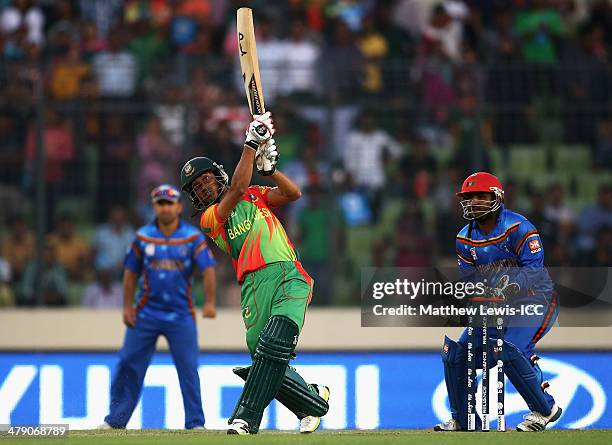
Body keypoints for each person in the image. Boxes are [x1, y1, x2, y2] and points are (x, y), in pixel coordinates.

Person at [180, 112, 330, 435]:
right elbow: (236, 188)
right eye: (197, 187)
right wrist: (251, 143)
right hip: (252, 285)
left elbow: (293, 194)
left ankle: (245, 419)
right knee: (265, 355)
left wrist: (270, 170)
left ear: (216, 175)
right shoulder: (209, 219)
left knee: (274, 342)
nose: (204, 187)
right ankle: (314, 401)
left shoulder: (255, 195)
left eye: (206, 178)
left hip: (288, 272)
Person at [435, 172, 562, 432]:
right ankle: (464, 418)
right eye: (469, 198)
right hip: (495, 307)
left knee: (511, 348)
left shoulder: (519, 228)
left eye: (481, 196)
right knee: (458, 354)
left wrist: (511, 287)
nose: (475, 202)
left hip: (535, 300)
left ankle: (544, 409)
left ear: (497, 197)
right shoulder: (463, 238)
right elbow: (471, 280)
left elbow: (533, 270)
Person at [101, 184, 217, 430]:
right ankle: (115, 420)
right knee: (129, 363)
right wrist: (127, 307)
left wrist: (208, 302)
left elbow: (208, 269)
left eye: (169, 203)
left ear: (179, 206)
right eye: (160, 203)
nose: (165, 208)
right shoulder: (143, 237)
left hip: (181, 315)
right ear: (154, 207)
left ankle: (196, 424)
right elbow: (130, 273)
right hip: (146, 313)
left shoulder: (191, 237)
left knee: (188, 368)